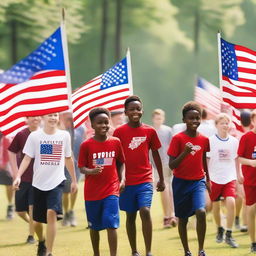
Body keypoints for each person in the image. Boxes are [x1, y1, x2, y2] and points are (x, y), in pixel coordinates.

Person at [13, 113, 78, 256]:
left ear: (58, 117)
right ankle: (41, 241)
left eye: (55, 115)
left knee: (51, 213)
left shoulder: (64, 136)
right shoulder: (35, 136)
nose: (53, 118)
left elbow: (68, 158)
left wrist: (73, 180)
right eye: (50, 115)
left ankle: (49, 251)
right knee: (36, 222)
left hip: (57, 182)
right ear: (44, 118)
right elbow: (27, 158)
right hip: (37, 184)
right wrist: (18, 176)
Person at [113, 95, 165, 256]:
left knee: (145, 210)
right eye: (131, 109)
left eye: (138, 108)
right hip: (126, 182)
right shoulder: (119, 132)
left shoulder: (150, 131)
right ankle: (134, 251)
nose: (135, 111)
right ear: (126, 112)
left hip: (145, 179)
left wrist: (162, 178)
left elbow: (156, 155)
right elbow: (117, 159)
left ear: (142, 110)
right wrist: (118, 180)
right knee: (130, 216)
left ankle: (148, 251)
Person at [78, 107, 125, 256]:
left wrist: (122, 178)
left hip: (111, 189)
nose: (103, 126)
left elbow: (120, 162)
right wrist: (91, 171)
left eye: (106, 122)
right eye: (99, 123)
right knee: (95, 227)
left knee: (111, 223)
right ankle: (96, 253)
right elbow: (81, 167)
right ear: (92, 125)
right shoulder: (86, 145)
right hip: (92, 193)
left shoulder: (116, 142)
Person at [168, 101, 210, 256]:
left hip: (198, 181)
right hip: (180, 183)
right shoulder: (177, 139)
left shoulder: (204, 139)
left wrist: (208, 179)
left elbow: (204, 159)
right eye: (191, 118)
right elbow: (172, 165)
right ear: (184, 120)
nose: (194, 121)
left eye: (197, 118)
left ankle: (201, 249)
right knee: (183, 219)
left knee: (201, 211)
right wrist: (185, 152)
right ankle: (186, 250)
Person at [207, 113, 239, 248]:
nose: (225, 125)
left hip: (229, 177)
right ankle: (220, 228)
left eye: (227, 123)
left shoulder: (234, 141)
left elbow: (236, 159)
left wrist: (239, 175)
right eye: (222, 123)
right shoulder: (210, 140)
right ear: (216, 125)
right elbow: (207, 159)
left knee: (231, 202)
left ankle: (229, 234)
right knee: (216, 205)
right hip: (214, 178)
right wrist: (206, 178)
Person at [8, 116, 41, 244]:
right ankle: (35, 225)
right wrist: (16, 174)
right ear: (27, 119)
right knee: (20, 211)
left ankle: (31, 236)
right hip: (22, 178)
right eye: (32, 116)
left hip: (37, 178)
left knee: (32, 207)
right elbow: (11, 151)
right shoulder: (21, 134)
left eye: (38, 116)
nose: (35, 118)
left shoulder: (44, 134)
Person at [151, 108, 176, 228]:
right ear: (153, 119)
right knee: (163, 190)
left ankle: (171, 215)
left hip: (167, 163)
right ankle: (168, 215)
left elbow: (173, 147)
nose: (158, 120)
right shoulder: (150, 131)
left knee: (168, 189)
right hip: (156, 165)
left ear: (163, 119)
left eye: (160, 118)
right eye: (156, 118)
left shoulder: (168, 131)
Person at [237, 109, 256, 253]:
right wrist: (251, 162)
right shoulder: (246, 137)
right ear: (253, 120)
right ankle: (253, 242)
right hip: (251, 180)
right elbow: (239, 158)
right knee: (251, 210)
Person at [59, 111, 82, 227]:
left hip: (77, 165)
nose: (69, 118)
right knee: (65, 191)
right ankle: (66, 211)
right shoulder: (60, 130)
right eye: (66, 115)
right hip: (62, 166)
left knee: (75, 188)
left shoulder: (80, 129)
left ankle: (71, 211)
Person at [0, 132, 14, 220]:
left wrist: (4, 162)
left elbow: (9, 150)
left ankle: (10, 206)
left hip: (5, 165)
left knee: (9, 186)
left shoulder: (6, 136)